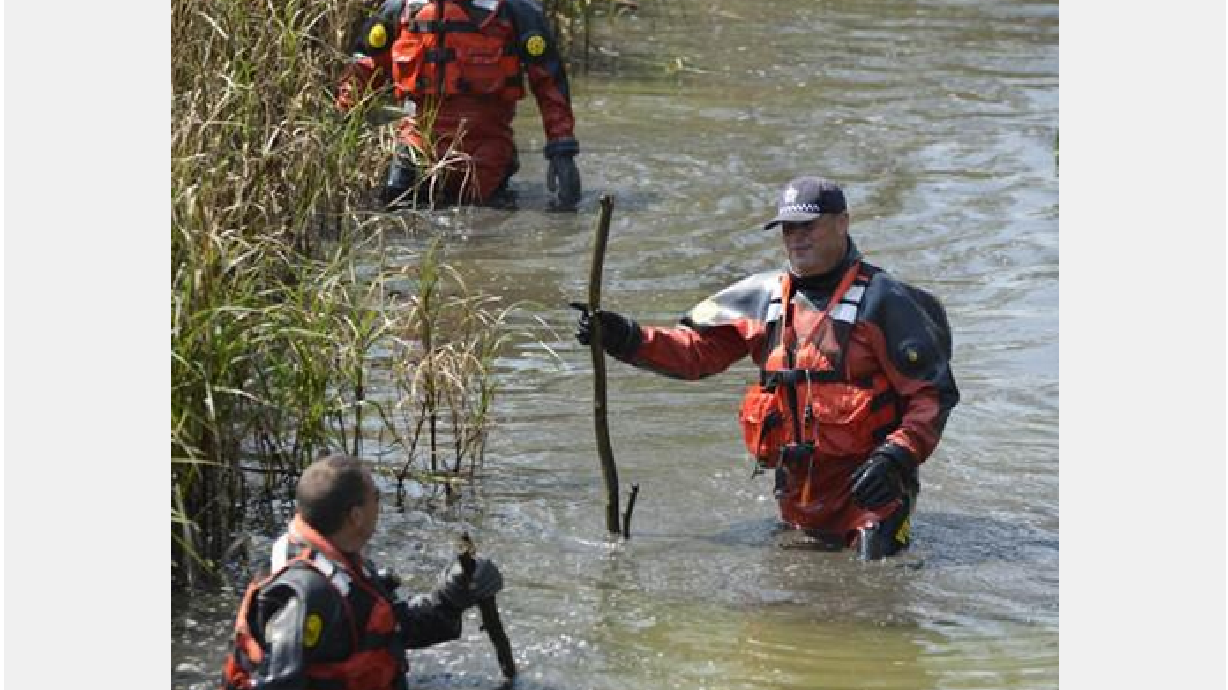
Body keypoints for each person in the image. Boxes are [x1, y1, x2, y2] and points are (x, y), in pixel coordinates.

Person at [572, 176, 960, 559]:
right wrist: (624, 336)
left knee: (875, 593)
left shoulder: (886, 301)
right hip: (797, 498)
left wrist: (895, 458)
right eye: (788, 229)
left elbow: (931, 396)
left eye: (808, 226)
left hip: (873, 493)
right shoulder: (765, 298)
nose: (796, 238)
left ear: (843, 223)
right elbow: (695, 353)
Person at [222, 454, 504, 689]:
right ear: (356, 516)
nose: (379, 506)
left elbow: (391, 630)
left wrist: (452, 596)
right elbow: (277, 682)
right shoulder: (302, 592)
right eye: (376, 497)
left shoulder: (343, 562)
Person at [337, 0, 582, 211]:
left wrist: (562, 152)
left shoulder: (514, 11)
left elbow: (549, 83)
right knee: (399, 217)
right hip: (417, 148)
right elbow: (362, 71)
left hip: (486, 156)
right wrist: (339, 134)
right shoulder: (400, 10)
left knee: (487, 231)